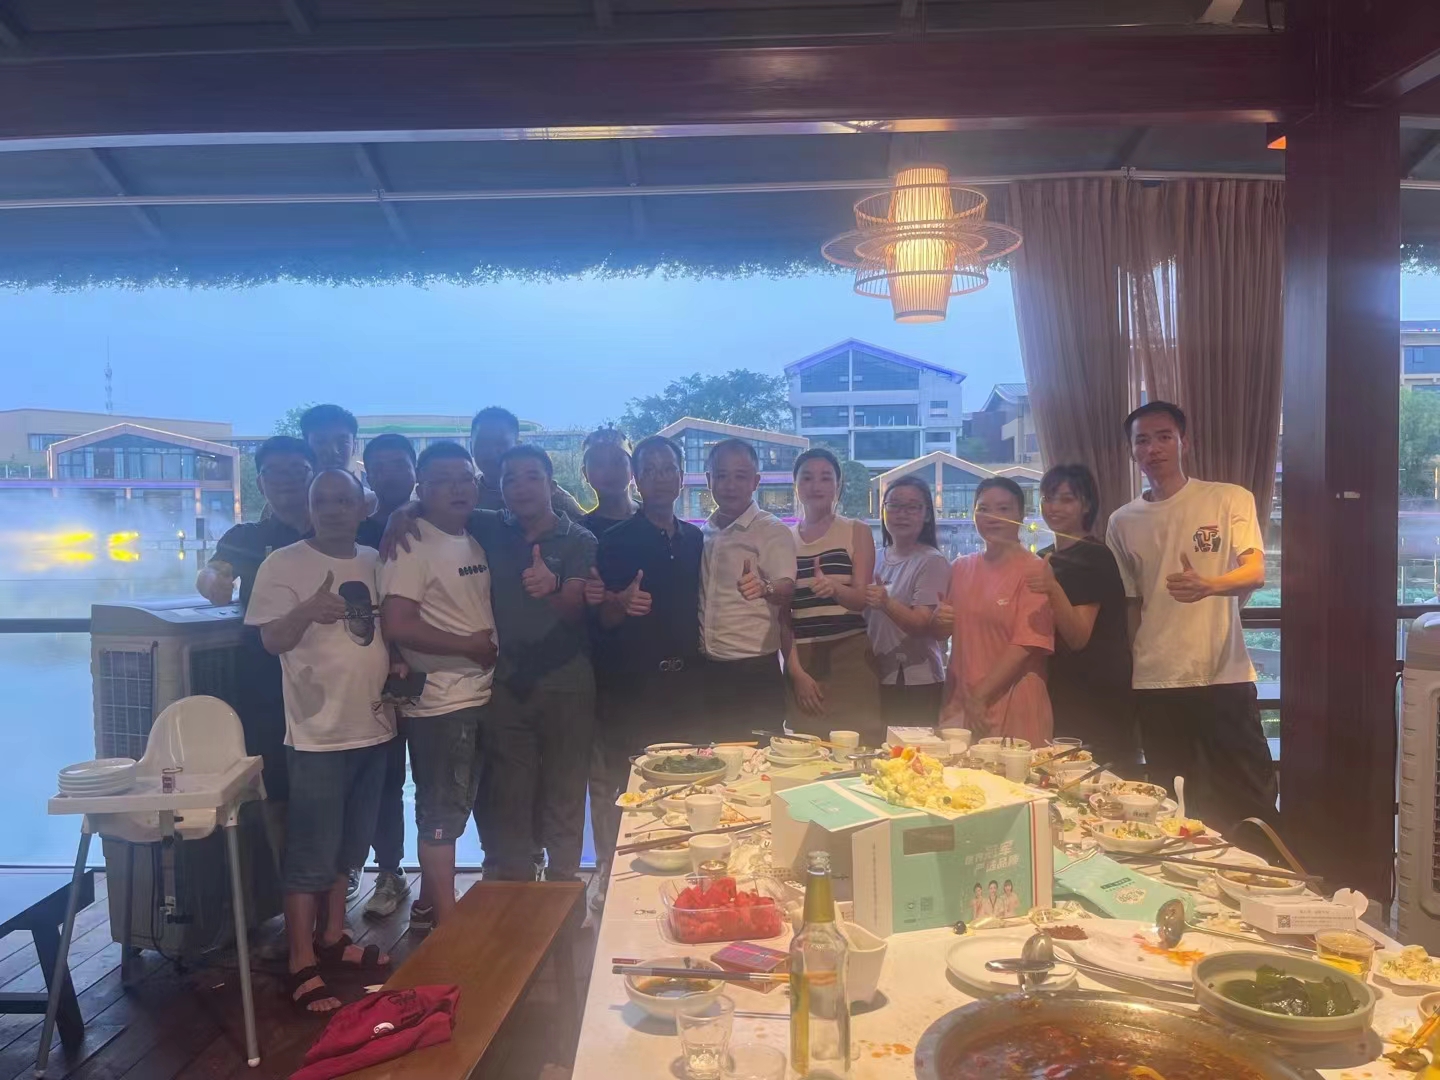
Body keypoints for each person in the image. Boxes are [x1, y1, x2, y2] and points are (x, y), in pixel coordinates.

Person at [244, 469, 396, 1012]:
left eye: (343, 501)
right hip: (316, 733)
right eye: (322, 501)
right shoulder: (282, 564)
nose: (332, 510)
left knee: (351, 847)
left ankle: (334, 936)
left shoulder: (376, 560)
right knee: (310, 851)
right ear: (309, 509)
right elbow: (270, 641)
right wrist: (307, 610)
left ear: (361, 508)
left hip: (375, 726)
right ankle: (300, 961)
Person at [1105, 401, 1276, 835]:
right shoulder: (1122, 521)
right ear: (1132, 451)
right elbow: (1131, 602)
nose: (1153, 448)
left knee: (1248, 793)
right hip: (1156, 680)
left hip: (1223, 675)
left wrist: (1208, 585)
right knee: (1173, 800)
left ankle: (1256, 870)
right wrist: (1134, 667)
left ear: (1185, 442)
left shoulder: (1228, 498)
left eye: (1164, 437)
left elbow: (1255, 572)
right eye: (1142, 440)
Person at [378, 442, 496, 931]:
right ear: (421, 488)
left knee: (455, 808)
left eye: (464, 478)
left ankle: (430, 904)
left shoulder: (471, 537)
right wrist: (469, 647)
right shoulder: (410, 544)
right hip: (441, 702)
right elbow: (398, 623)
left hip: (477, 693)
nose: (457, 488)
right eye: (443, 480)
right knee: (441, 815)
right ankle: (450, 927)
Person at [590, 435, 704, 907]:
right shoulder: (612, 541)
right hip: (631, 686)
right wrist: (620, 603)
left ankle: (679, 876)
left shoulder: (696, 539)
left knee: (685, 782)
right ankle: (612, 876)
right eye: (650, 469)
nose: (660, 476)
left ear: (681, 476)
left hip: (689, 685)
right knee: (625, 788)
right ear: (636, 480)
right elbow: (600, 619)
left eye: (668, 467)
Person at [197, 436, 316, 810]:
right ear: (261, 483)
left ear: (314, 476)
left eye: (297, 470)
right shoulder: (246, 537)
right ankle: (280, 850)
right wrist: (211, 582)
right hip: (267, 677)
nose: (287, 479)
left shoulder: (339, 531)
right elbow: (213, 572)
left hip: (330, 675)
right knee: (273, 783)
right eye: (274, 472)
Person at [1026, 464, 1140, 776]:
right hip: (1059, 686)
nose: (1054, 507)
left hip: (1096, 693)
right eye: (1048, 498)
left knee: (1097, 782)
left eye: (1067, 499)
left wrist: (1052, 588)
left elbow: (1078, 637)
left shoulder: (1094, 556)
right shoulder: (1045, 557)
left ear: (1086, 505)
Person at [936, 477, 1055, 745]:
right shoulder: (961, 568)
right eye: (983, 508)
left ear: (1021, 515)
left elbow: (1026, 644)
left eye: (1004, 508)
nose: (993, 517)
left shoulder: (1035, 570)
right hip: (962, 702)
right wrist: (938, 621)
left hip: (1013, 702)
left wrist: (980, 696)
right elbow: (945, 630)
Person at [355, 432, 417, 917]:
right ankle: (389, 871)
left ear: (415, 470)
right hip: (378, 673)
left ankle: (467, 873)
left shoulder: (440, 521)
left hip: (442, 670)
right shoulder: (356, 530)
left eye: (400, 464)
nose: (390, 473)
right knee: (386, 779)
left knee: (447, 779)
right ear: (368, 474)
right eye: (380, 466)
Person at [699, 439, 797, 745]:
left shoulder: (771, 529)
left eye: (740, 476)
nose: (730, 485)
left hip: (754, 674)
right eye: (722, 475)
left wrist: (765, 587)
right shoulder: (705, 531)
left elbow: (787, 587)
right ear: (709, 480)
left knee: (758, 764)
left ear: (755, 481)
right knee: (713, 762)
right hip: (706, 672)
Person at [783, 448, 881, 746]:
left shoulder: (856, 531)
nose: (816, 485)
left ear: (838, 485)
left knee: (859, 750)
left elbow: (861, 599)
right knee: (805, 752)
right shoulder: (784, 539)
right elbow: (782, 616)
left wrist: (835, 589)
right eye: (807, 478)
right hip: (803, 658)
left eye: (826, 478)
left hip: (851, 656)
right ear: (796, 485)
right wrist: (796, 673)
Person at [865, 476, 951, 729]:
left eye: (912, 507)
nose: (902, 514)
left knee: (910, 751)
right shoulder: (874, 557)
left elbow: (922, 624)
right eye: (894, 505)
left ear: (926, 514)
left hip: (915, 680)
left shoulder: (932, 561)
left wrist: (886, 603)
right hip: (875, 675)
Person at [470, 406, 585, 519]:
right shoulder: (467, 494)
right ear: (471, 447)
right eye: (483, 443)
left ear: (517, 446)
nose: (492, 451)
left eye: (501, 443)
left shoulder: (553, 497)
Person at [579, 427, 638, 537]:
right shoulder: (580, 534)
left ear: (632, 469)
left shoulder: (655, 517)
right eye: (599, 463)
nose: (609, 471)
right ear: (585, 473)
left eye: (617, 461)